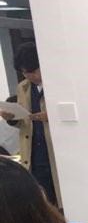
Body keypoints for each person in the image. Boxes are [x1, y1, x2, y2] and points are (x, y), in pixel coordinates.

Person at [1, 43, 58, 205]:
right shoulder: (23, 87)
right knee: (42, 200)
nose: (29, 76)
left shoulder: (57, 84)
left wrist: (51, 117)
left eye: (32, 71)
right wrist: (12, 118)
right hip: (33, 152)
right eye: (24, 73)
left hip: (53, 151)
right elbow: (24, 122)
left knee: (61, 198)